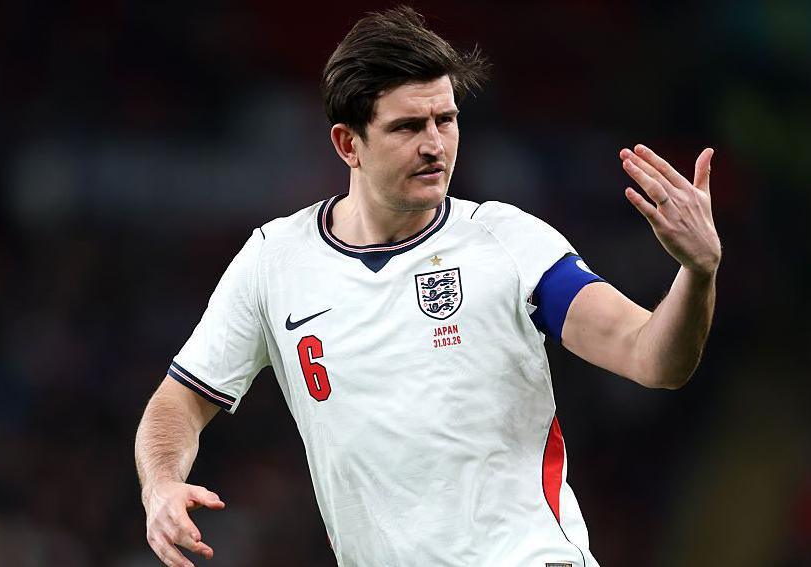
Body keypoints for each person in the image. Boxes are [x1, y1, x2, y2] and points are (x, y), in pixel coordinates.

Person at [134, 6, 721, 567]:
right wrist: (160, 484)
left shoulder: (508, 242)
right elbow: (178, 401)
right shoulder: (275, 261)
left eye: (447, 119)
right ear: (348, 145)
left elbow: (652, 358)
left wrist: (697, 274)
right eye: (408, 126)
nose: (435, 144)